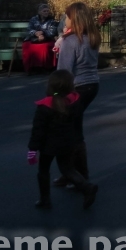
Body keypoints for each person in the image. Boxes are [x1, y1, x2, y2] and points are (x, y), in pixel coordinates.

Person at [27, 69, 98, 209]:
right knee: (67, 169)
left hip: (48, 146)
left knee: (43, 170)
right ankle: (87, 188)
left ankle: (45, 200)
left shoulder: (44, 106)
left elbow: (38, 130)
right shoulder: (75, 102)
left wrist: (32, 149)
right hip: (68, 143)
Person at [54, 2, 101, 186]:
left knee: (70, 132)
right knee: (73, 128)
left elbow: (63, 71)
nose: (65, 19)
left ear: (73, 19)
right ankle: (74, 174)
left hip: (76, 87)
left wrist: (56, 94)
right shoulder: (92, 37)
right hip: (92, 85)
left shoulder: (70, 40)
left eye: (66, 16)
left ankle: (78, 176)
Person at [22, 4, 59, 73]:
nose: (46, 12)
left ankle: (46, 68)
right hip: (34, 38)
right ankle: (31, 68)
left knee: (46, 47)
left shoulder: (51, 20)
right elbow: (29, 29)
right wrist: (35, 33)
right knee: (26, 46)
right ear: (39, 12)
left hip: (46, 39)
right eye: (44, 11)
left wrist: (42, 33)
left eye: (47, 11)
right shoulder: (33, 19)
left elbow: (52, 32)